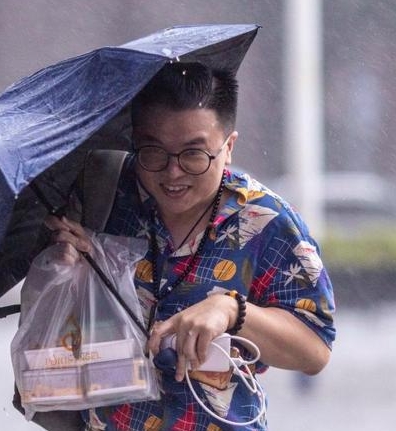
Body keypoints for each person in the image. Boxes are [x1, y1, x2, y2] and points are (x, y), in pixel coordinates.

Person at [44, 61, 335, 430]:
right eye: (153, 152)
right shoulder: (104, 201)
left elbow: (314, 350)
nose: (173, 172)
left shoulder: (266, 222)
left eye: (194, 154)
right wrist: (66, 270)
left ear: (228, 147)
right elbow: (62, 345)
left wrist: (231, 311)